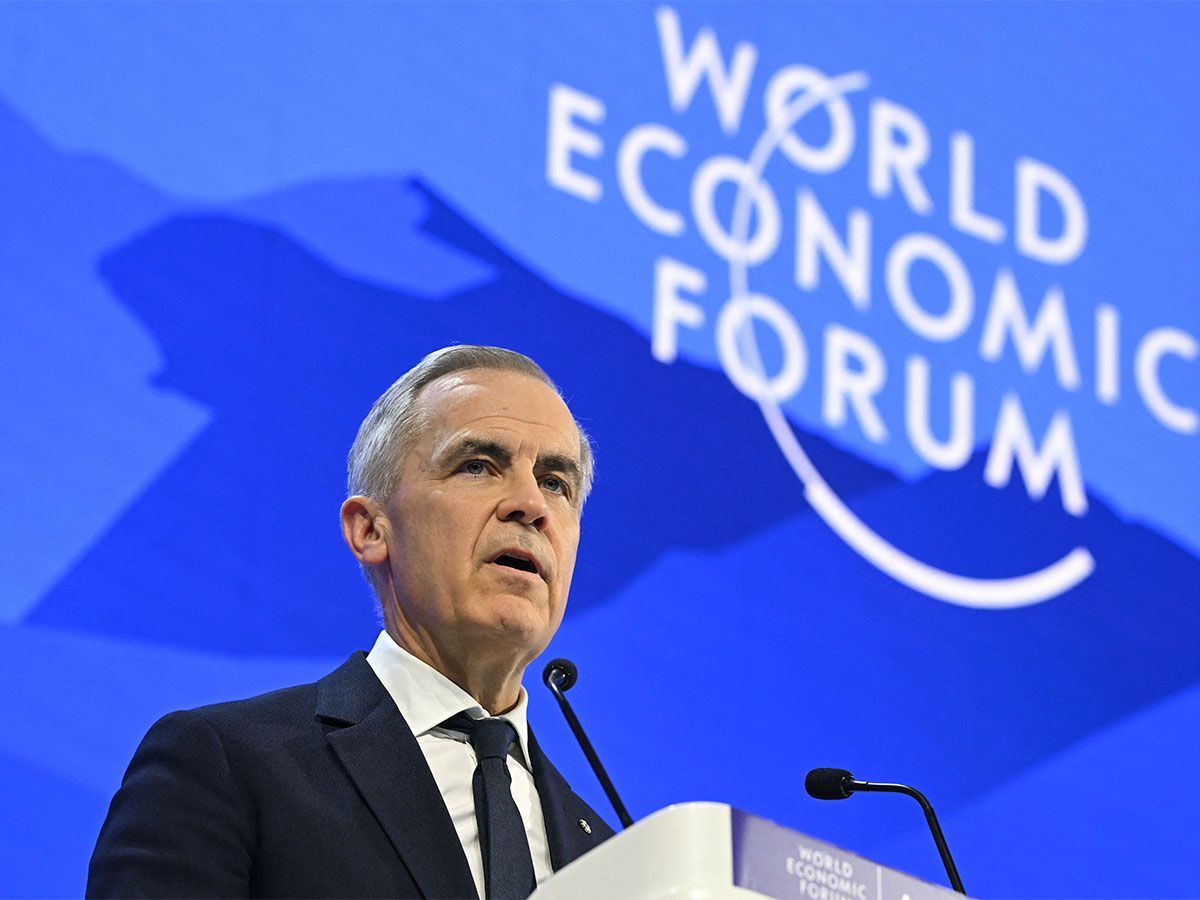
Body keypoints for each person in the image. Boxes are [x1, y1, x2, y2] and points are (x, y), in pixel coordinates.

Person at [87, 345, 615, 899]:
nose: (531, 504)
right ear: (370, 530)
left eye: (557, 482)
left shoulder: (608, 857)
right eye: (477, 466)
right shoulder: (227, 763)